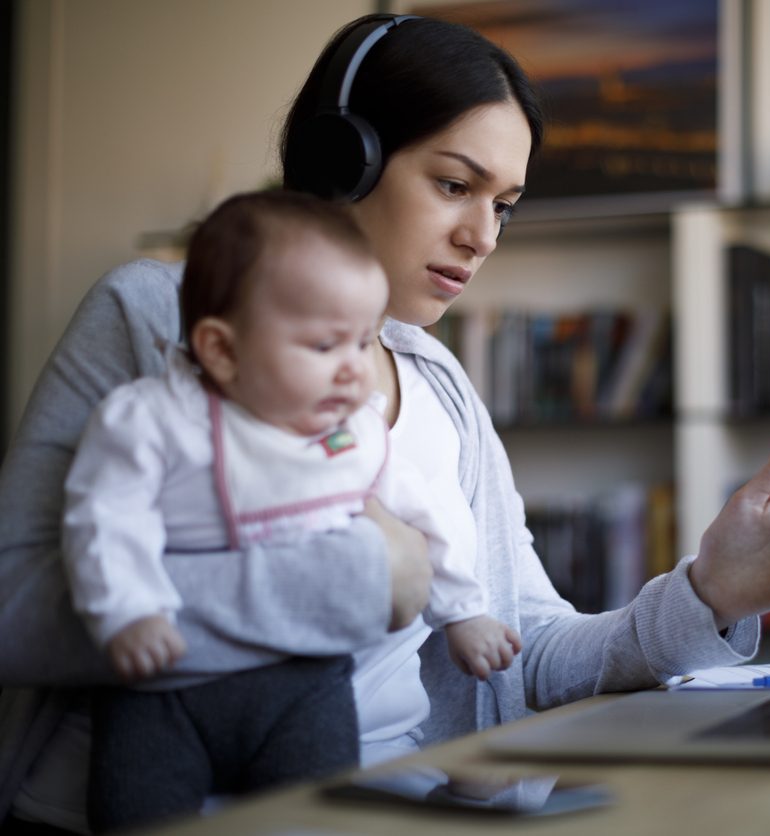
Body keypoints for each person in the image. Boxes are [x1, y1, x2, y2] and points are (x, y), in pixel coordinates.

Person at [0, 13, 770, 834]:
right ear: (340, 159)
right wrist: (360, 578)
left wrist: (710, 594)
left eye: (503, 204)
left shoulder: (440, 385)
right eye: (455, 184)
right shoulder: (161, 317)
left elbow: (523, 648)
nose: (483, 237)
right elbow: (14, 609)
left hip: (391, 807)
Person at [58, 190, 521, 831]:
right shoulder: (152, 419)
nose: (355, 373)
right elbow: (104, 516)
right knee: (135, 806)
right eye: (327, 346)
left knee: (315, 812)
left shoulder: (350, 431)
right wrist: (127, 609)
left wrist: (463, 611)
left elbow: (428, 511)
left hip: (306, 683)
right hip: (164, 691)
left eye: (364, 343)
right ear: (222, 351)